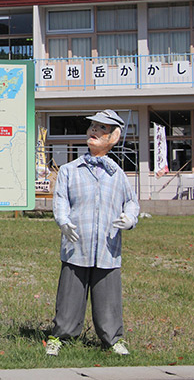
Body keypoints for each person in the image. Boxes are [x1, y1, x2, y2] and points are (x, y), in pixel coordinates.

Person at [46, 109, 139, 357]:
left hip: (108, 246)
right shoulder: (69, 170)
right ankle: (61, 335)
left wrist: (129, 218)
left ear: (114, 137)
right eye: (93, 127)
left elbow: (131, 202)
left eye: (102, 128)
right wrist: (63, 221)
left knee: (108, 296)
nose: (94, 131)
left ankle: (112, 338)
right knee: (70, 293)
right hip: (77, 243)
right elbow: (61, 200)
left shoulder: (117, 174)